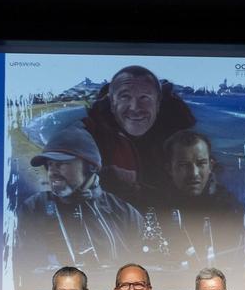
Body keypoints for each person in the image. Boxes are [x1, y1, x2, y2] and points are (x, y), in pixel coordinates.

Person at [15, 126, 144, 269]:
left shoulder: (126, 214)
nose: (52, 172)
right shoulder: (34, 208)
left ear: (90, 167)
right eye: (50, 165)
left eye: (61, 164)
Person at [80, 65, 196, 203]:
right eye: (125, 97)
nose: (135, 107)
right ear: (111, 104)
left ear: (158, 104)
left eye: (145, 97)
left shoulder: (175, 127)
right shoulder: (94, 132)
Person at [156, 130, 245, 273]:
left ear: (210, 166)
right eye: (183, 165)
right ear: (169, 168)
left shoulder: (231, 209)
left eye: (201, 164)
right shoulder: (154, 209)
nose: (194, 173)